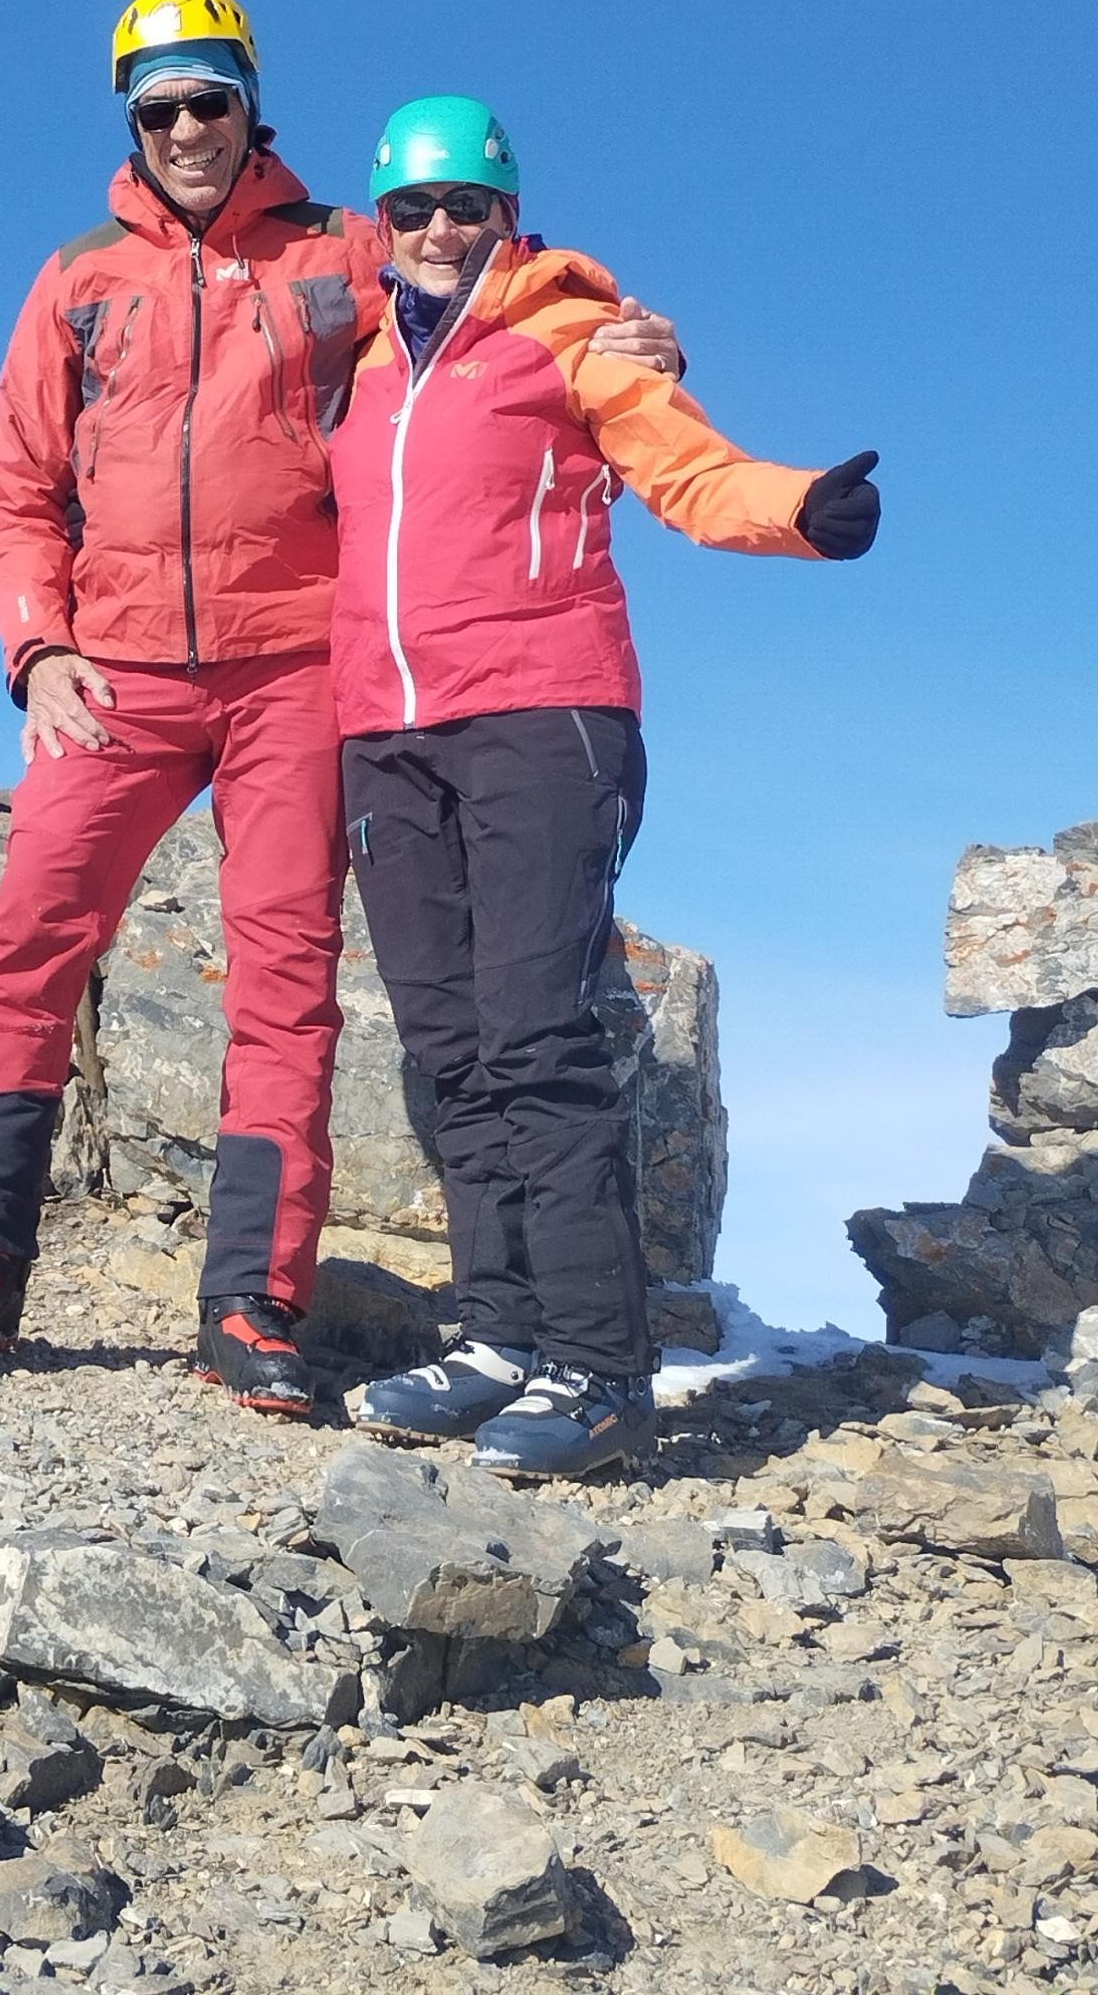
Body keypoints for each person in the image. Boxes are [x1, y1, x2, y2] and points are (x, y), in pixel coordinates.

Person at [0, 0, 685, 1415]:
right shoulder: (76, 277)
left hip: (299, 667)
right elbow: (20, 488)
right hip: (114, 671)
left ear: (254, 106)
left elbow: (495, 268)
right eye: (160, 108)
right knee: (27, 941)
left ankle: (255, 1302)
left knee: (286, 978)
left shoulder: (349, 248)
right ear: (131, 124)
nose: (189, 128)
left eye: (212, 100)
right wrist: (37, 647)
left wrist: (620, 338)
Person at [330, 94, 880, 1478]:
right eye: (415, 207)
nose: (443, 228)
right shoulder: (359, 362)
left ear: (511, 214)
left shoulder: (573, 333)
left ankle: (599, 1368)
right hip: (385, 732)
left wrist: (798, 506)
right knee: (447, 1045)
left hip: (543, 713)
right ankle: (500, 1335)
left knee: (534, 1036)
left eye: (470, 204)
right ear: (379, 223)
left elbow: (684, 465)